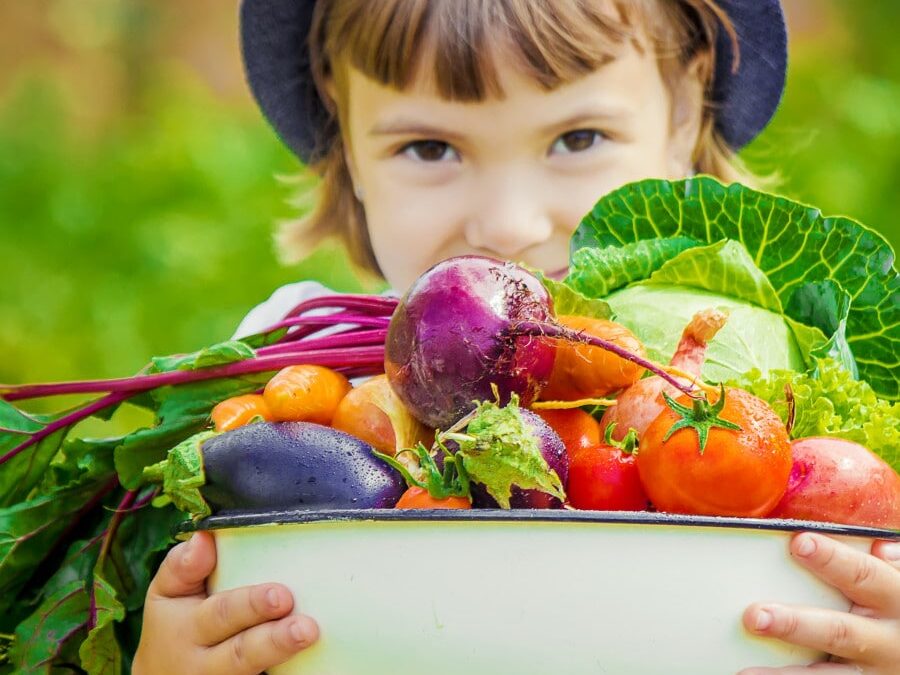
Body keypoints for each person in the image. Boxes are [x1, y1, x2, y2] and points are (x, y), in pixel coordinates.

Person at [133, 1, 900, 673]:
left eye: (578, 137)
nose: (507, 224)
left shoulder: (777, 378)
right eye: (429, 148)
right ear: (344, 129)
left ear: (684, 109)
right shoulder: (287, 359)